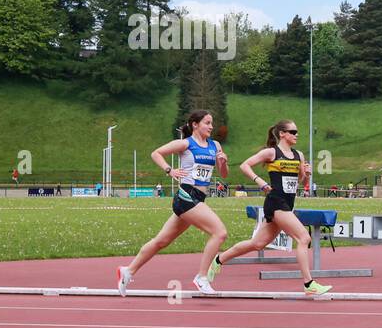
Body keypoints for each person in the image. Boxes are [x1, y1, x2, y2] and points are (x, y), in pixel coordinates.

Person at [207, 120, 331, 296]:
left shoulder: (299, 155)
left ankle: (218, 259)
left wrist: (308, 175)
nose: (296, 135)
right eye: (293, 131)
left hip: (288, 203)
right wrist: (260, 181)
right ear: (282, 134)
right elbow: (245, 165)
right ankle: (308, 284)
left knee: (257, 244)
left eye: (297, 132)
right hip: (275, 202)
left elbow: (302, 182)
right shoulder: (272, 152)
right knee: (303, 237)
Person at [117, 110, 229, 297]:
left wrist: (223, 163)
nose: (211, 126)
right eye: (207, 123)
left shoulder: (215, 145)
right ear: (195, 124)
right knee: (220, 232)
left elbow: (223, 174)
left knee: (161, 241)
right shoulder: (185, 143)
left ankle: (128, 271)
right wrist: (169, 170)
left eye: (212, 123)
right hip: (186, 197)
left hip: (198, 199)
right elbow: (156, 153)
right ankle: (202, 277)